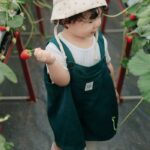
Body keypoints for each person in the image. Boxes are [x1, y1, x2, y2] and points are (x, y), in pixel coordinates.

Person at [34, 0, 119, 149]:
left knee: (92, 135)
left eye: (99, 16)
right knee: (65, 142)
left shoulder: (99, 40)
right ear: (67, 21)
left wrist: (113, 89)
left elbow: (108, 66)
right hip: (69, 107)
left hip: (94, 103)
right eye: (90, 20)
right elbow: (63, 81)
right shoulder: (57, 48)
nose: (97, 24)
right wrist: (52, 62)